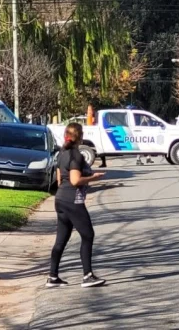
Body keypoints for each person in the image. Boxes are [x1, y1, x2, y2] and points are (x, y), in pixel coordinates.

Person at [48, 123, 106, 288]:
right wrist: (93, 178)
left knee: (61, 239)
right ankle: (87, 276)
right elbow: (74, 180)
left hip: (60, 199)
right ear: (80, 137)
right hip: (72, 200)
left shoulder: (61, 153)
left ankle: (52, 276)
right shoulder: (76, 155)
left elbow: (60, 179)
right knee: (88, 235)